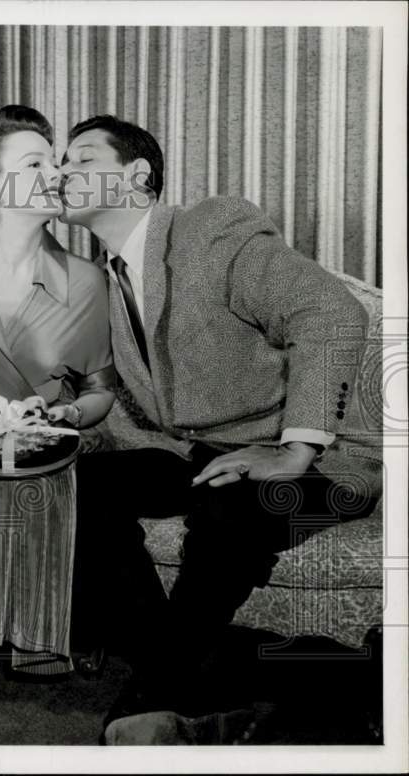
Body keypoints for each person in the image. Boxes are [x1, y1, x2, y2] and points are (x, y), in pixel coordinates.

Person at [58, 114, 377, 743]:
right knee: (74, 487)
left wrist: (295, 449)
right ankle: (325, 669)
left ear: (136, 176)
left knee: (227, 510)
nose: (63, 174)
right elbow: (157, 397)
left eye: (83, 160)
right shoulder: (109, 275)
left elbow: (329, 309)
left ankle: (159, 690)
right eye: (61, 163)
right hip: (201, 452)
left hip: (324, 461)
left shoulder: (210, 230)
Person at [0, 105, 115, 680]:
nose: (56, 174)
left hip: (52, 448)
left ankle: (41, 633)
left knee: (51, 475)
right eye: (36, 162)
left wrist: (62, 414)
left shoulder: (86, 281)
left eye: (55, 163)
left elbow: (100, 391)